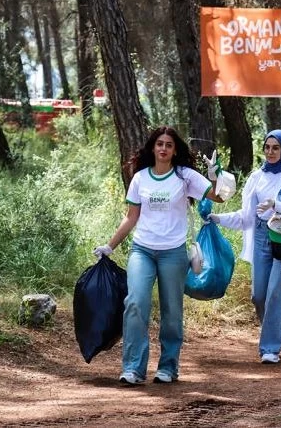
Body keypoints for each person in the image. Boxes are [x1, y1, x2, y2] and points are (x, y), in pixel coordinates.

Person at [93, 126, 228, 385]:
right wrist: (109, 246)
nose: (163, 148)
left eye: (168, 144)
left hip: (173, 253)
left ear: (175, 150)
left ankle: (168, 367)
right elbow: (131, 216)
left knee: (172, 311)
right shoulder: (140, 178)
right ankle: (133, 368)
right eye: (159, 144)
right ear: (153, 148)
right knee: (135, 303)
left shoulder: (185, 176)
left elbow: (217, 197)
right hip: (142, 249)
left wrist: (214, 176)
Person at [209, 130, 281, 365]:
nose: (271, 152)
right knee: (258, 296)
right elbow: (246, 217)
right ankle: (271, 331)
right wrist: (218, 218)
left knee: (276, 294)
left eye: (276, 148)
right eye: (267, 147)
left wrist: (277, 204)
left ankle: (270, 347)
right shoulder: (257, 177)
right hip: (262, 237)